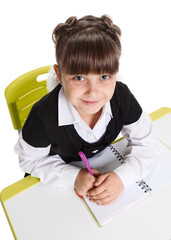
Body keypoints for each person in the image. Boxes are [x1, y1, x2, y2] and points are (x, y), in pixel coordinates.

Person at [14, 15, 158, 206]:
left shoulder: (121, 96)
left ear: (116, 71)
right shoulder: (43, 117)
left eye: (104, 76)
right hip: (56, 187)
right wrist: (73, 177)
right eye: (79, 78)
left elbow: (146, 143)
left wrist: (123, 178)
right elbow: (30, 161)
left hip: (100, 165)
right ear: (59, 74)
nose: (93, 92)